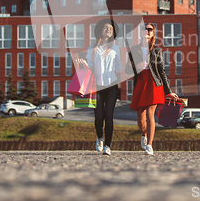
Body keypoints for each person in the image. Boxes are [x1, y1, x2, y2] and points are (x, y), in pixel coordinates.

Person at [126, 23, 179, 155]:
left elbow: (162, 71)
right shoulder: (134, 49)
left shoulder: (157, 51)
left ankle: (149, 145)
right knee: (140, 120)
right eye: (145, 29)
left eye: (150, 29)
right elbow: (128, 70)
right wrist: (137, 66)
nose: (147, 31)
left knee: (150, 114)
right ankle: (144, 134)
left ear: (153, 33)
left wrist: (168, 91)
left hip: (154, 83)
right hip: (141, 82)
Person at [75, 19, 124, 156]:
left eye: (110, 28)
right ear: (101, 31)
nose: (108, 30)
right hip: (96, 86)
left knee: (109, 116)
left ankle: (107, 146)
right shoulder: (92, 48)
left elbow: (118, 67)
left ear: (113, 33)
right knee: (98, 117)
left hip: (112, 86)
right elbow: (90, 66)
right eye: (105, 28)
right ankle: (100, 137)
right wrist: (84, 64)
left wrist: (127, 69)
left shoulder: (115, 49)